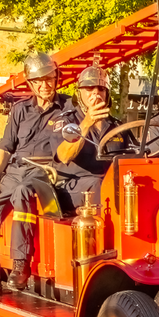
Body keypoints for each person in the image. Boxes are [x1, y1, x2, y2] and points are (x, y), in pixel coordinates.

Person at [0, 52, 75, 297]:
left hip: (46, 171)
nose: (45, 85)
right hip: (15, 170)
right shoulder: (20, 110)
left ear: (57, 78)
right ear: (31, 84)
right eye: (39, 81)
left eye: (49, 79)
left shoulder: (70, 107)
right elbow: (4, 148)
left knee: (23, 193)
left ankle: (21, 266)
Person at [52, 64, 131, 209]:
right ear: (79, 93)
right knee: (98, 184)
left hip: (110, 183)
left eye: (101, 89)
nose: (96, 94)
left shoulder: (118, 126)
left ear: (107, 93)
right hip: (71, 186)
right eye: (89, 88)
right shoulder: (66, 121)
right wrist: (87, 123)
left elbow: (133, 157)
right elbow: (63, 155)